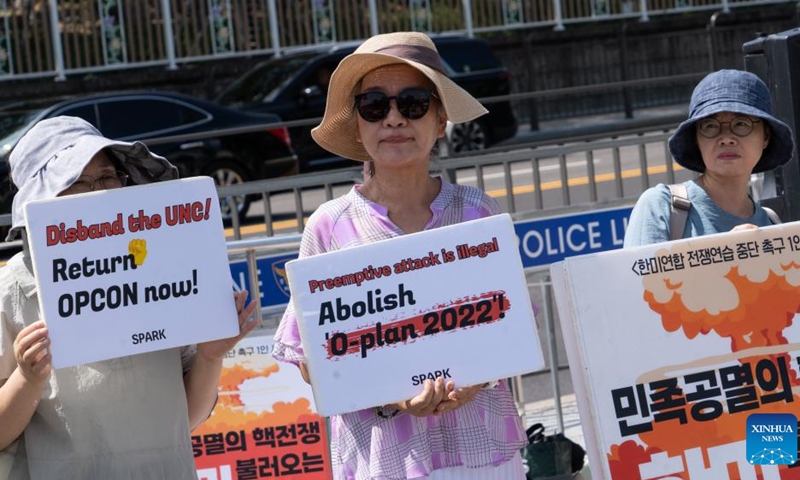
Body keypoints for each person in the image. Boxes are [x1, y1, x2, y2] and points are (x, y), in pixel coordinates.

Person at [272, 32, 526, 480]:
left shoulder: (477, 211)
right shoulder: (328, 227)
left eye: (413, 103)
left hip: (483, 451)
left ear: (441, 120)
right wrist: (393, 394)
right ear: (358, 125)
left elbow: (512, 329)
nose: (393, 119)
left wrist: (478, 380)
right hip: (381, 459)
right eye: (374, 105)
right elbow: (314, 363)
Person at [0, 116, 258, 480]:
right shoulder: (11, 289)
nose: (97, 192)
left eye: (107, 177)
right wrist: (27, 378)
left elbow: (183, 421)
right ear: (40, 199)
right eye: (75, 182)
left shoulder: (162, 270)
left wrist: (209, 356)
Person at [624, 69, 796, 247]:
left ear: (765, 137)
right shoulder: (661, 206)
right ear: (697, 140)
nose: (727, 138)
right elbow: (635, 276)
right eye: (710, 126)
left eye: (741, 124)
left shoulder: (772, 224)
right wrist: (724, 253)